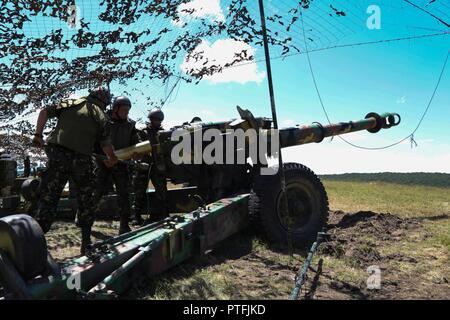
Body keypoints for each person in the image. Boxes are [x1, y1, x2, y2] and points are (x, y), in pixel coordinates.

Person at [32, 87, 118, 255]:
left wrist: (38, 135)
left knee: (49, 198)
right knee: (86, 200)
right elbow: (106, 144)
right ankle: (86, 243)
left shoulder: (70, 102)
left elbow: (44, 111)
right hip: (81, 160)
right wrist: (112, 158)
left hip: (58, 155)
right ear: (105, 102)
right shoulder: (101, 115)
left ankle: (36, 247)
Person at [92, 96, 140, 235]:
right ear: (115, 109)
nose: (127, 113)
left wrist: (137, 153)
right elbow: (95, 142)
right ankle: (84, 218)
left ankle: (124, 226)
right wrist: (102, 158)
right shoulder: (103, 121)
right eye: (124, 109)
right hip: (104, 162)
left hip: (121, 163)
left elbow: (135, 143)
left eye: (128, 110)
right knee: (97, 192)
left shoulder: (130, 125)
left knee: (124, 194)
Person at [132, 108, 168, 224]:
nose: (157, 121)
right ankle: (136, 216)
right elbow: (137, 146)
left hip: (157, 165)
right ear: (151, 119)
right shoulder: (142, 132)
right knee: (139, 191)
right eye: (155, 119)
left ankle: (162, 214)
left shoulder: (163, 132)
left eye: (159, 120)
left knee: (161, 190)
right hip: (144, 165)